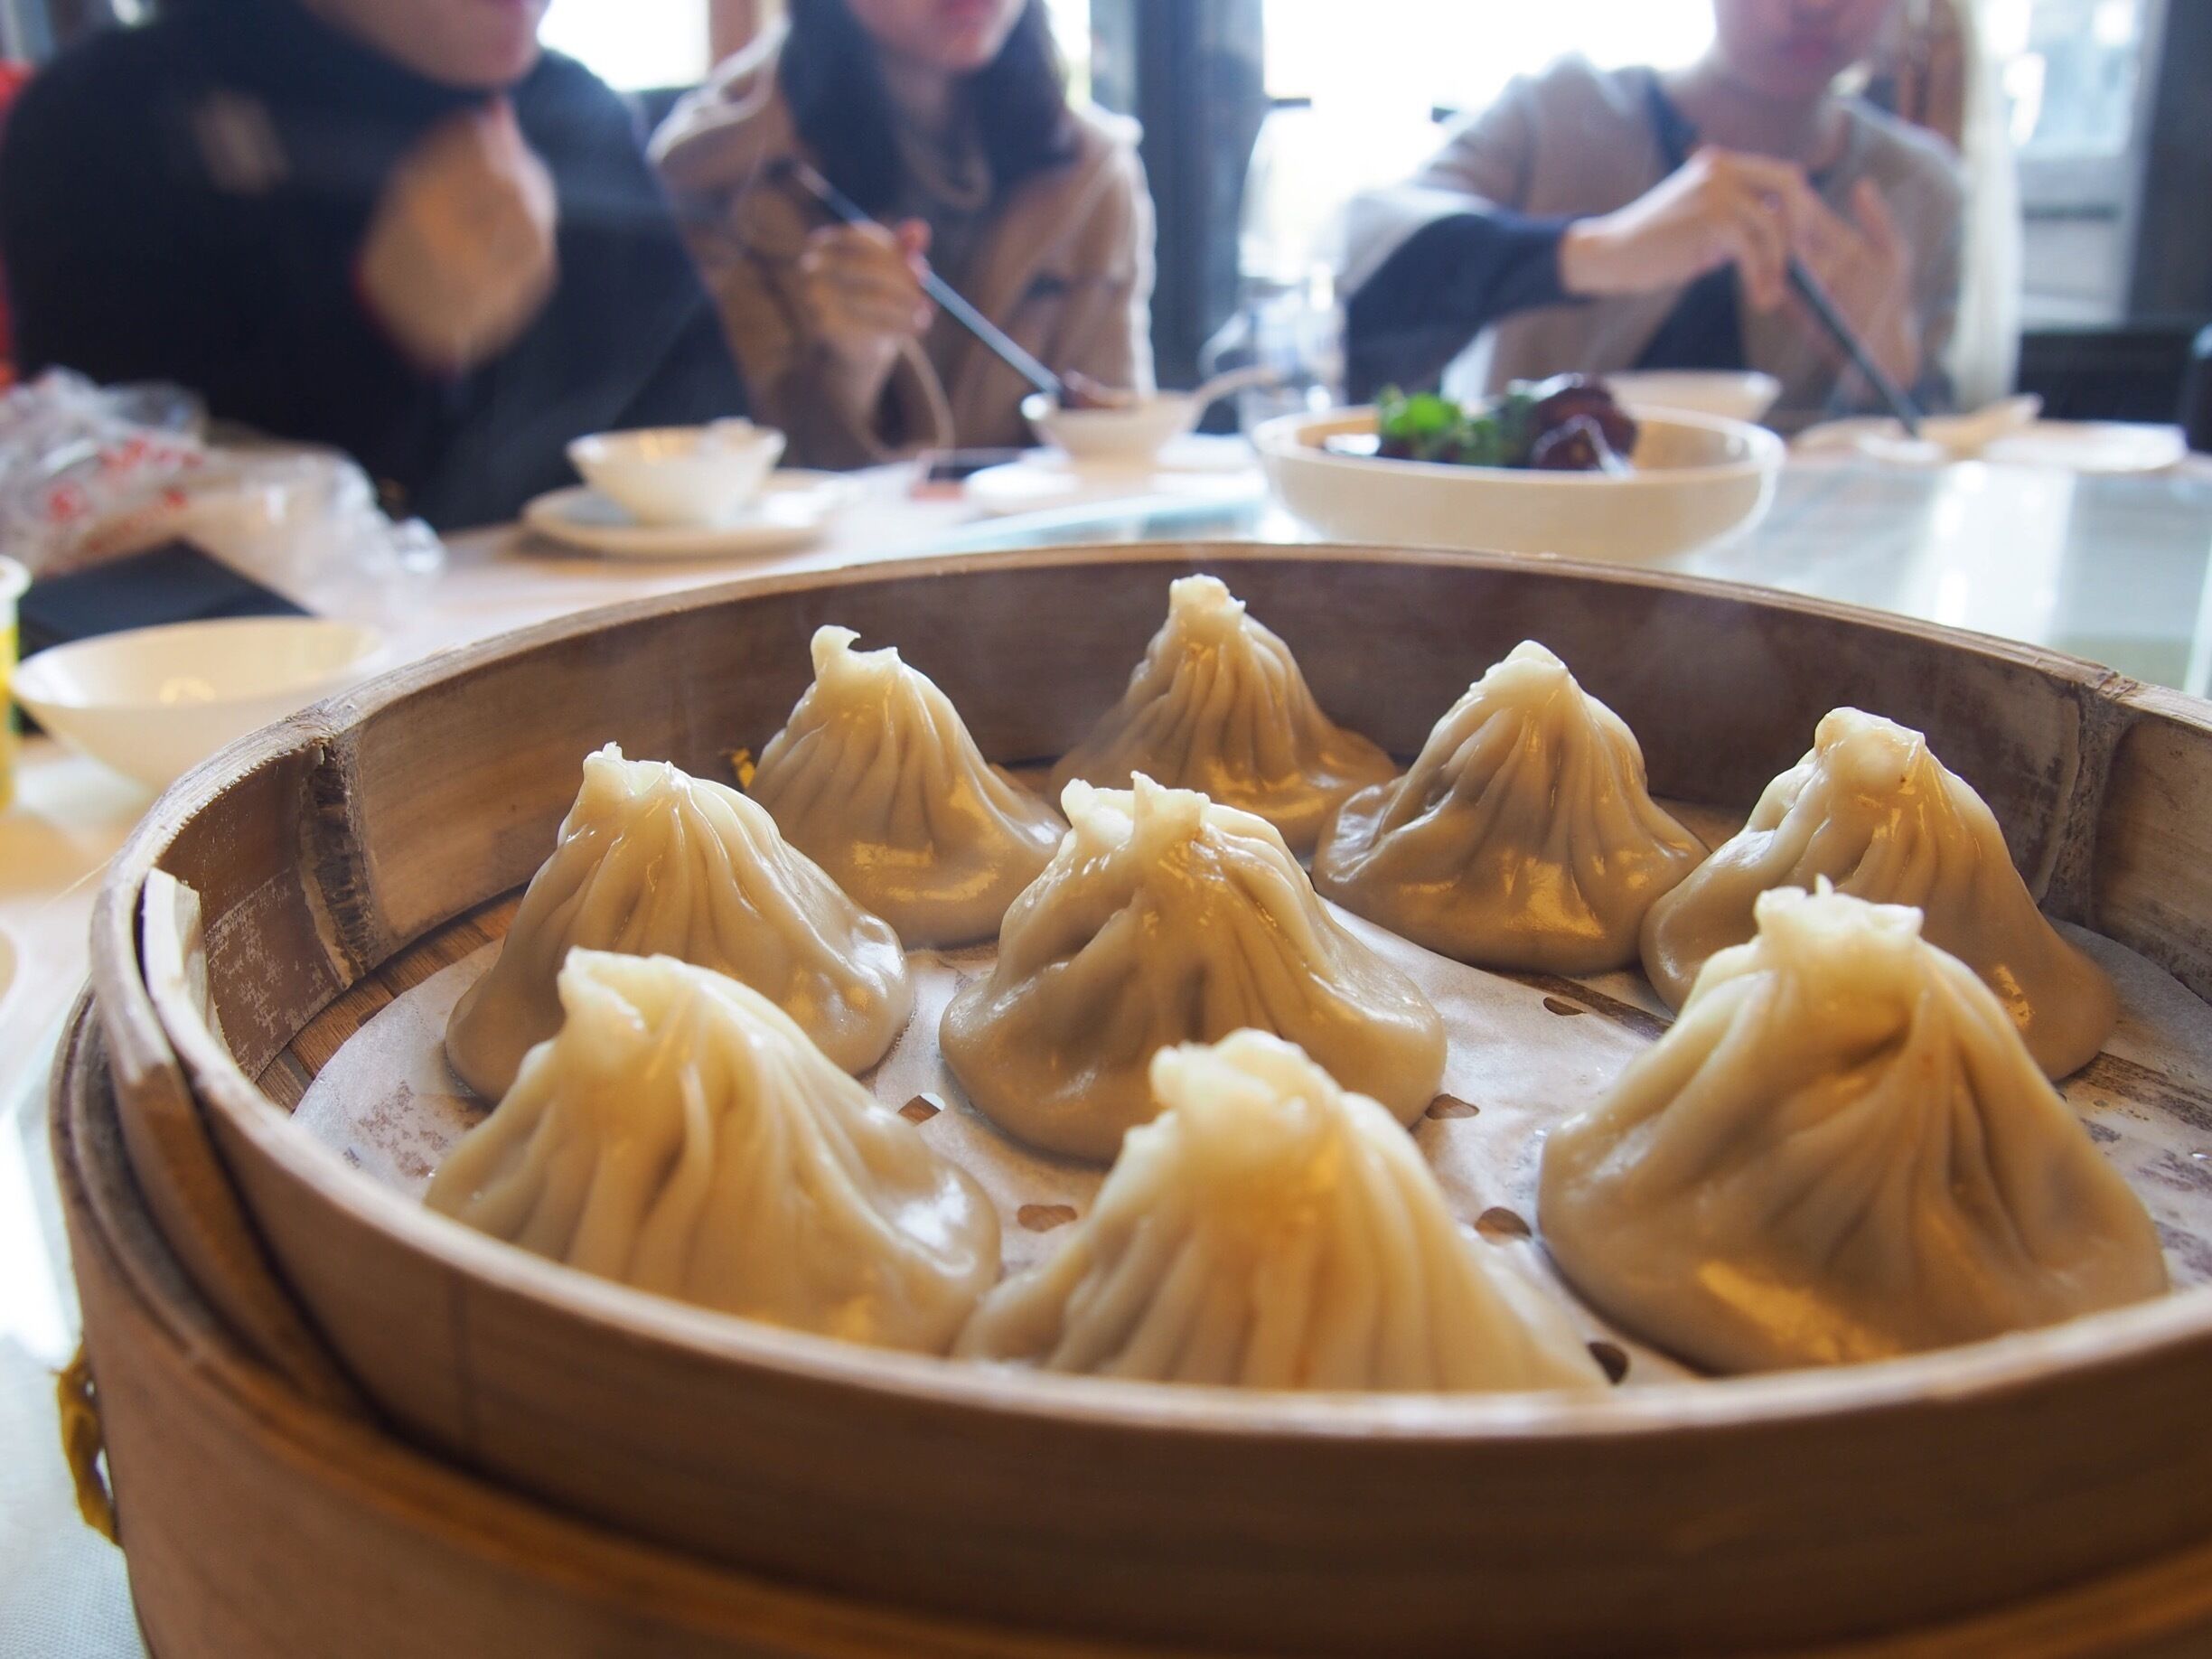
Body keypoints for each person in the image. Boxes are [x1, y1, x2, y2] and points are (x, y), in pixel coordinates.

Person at [0, 0, 746, 530]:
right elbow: (86, 512)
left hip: (586, 673)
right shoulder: (104, 116)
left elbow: (711, 437)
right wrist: (380, 326)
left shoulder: (574, 113)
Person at [1339, 0, 1965, 422]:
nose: (1815, 7)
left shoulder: (1919, 188)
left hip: (1789, 585)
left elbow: (1942, 464)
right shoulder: (1560, 108)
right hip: (1524, 550)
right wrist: (1597, 251)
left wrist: (1897, 375)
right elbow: (1365, 264)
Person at [651, 0, 1155, 469]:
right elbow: (719, 476)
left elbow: (1121, 462)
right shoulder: (718, 173)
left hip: (1043, 557)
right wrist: (852, 365)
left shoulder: (1093, 171)